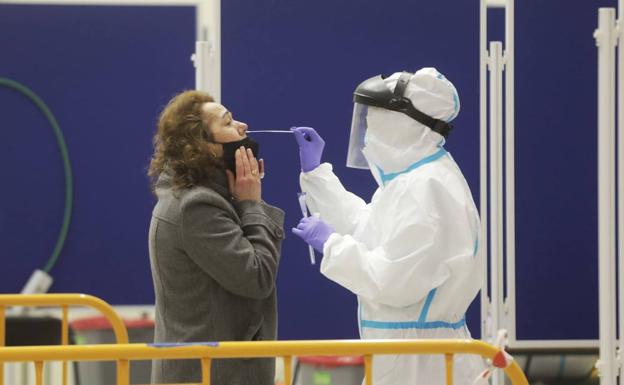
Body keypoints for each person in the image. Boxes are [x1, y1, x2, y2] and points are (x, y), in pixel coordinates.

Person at [291, 68, 484, 385]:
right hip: (404, 357)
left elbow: (392, 281)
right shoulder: (411, 181)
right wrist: (317, 176)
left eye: (376, 120)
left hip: (425, 368)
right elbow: (365, 227)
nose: (367, 132)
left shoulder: (429, 188)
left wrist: (332, 246)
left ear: (403, 123)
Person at [147, 90, 285, 385]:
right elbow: (257, 277)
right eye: (229, 122)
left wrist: (243, 202)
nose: (243, 127)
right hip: (210, 374)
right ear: (206, 148)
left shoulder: (202, 197)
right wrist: (252, 205)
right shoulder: (196, 207)